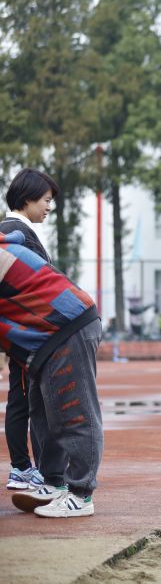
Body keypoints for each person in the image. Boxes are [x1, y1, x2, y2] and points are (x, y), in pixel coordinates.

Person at [0, 229, 103, 517]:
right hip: (43, 337)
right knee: (44, 414)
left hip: (66, 326)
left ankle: (81, 494)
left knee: (74, 413)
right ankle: (54, 483)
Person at [1, 168, 57, 492]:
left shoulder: (17, 231)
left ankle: (24, 467)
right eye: (46, 200)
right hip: (28, 335)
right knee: (26, 401)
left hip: (24, 334)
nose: (49, 207)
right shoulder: (15, 233)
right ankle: (24, 468)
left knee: (24, 399)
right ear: (27, 198)